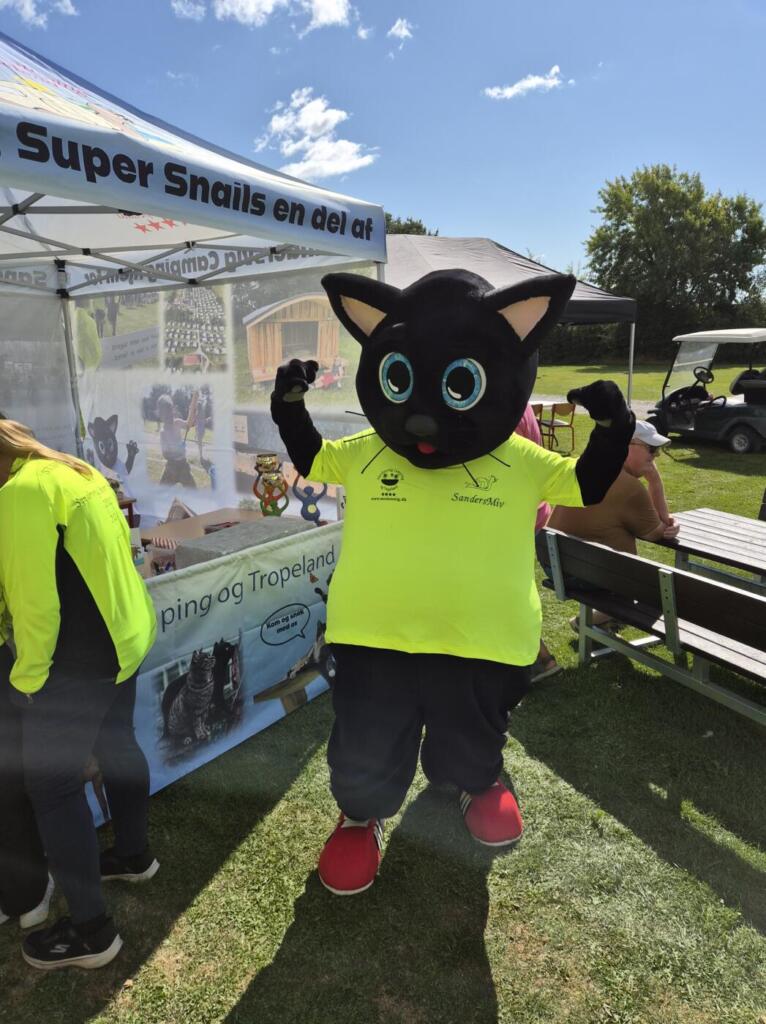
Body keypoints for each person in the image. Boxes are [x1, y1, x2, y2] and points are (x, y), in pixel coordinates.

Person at [0, 418, 157, 970]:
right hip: (125, 639)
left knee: (52, 787)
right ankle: (134, 855)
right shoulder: (72, 469)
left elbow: (35, 605)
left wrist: (26, 684)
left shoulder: (21, 493)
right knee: (118, 745)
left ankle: (92, 933)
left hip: (80, 659)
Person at [546, 419, 679, 631]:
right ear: (626, 445)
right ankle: (595, 621)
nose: (656, 456)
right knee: (664, 590)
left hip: (556, 565)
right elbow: (658, 532)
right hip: (591, 575)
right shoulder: (630, 487)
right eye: (651, 449)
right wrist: (655, 481)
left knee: (634, 580)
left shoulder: (586, 466)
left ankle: (597, 621)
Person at [513, 404, 559, 681]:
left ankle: (539, 659)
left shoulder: (501, 407)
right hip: (530, 509)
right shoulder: (519, 402)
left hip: (514, 514)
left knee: (505, 589)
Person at [157, 390, 198, 488]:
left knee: (193, 490)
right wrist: (177, 450)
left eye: (170, 411)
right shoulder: (163, 432)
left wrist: (193, 407)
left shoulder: (177, 423)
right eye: (166, 413)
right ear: (161, 415)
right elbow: (165, 454)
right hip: (171, 468)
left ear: (173, 410)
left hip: (183, 465)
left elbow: (189, 424)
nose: (170, 415)